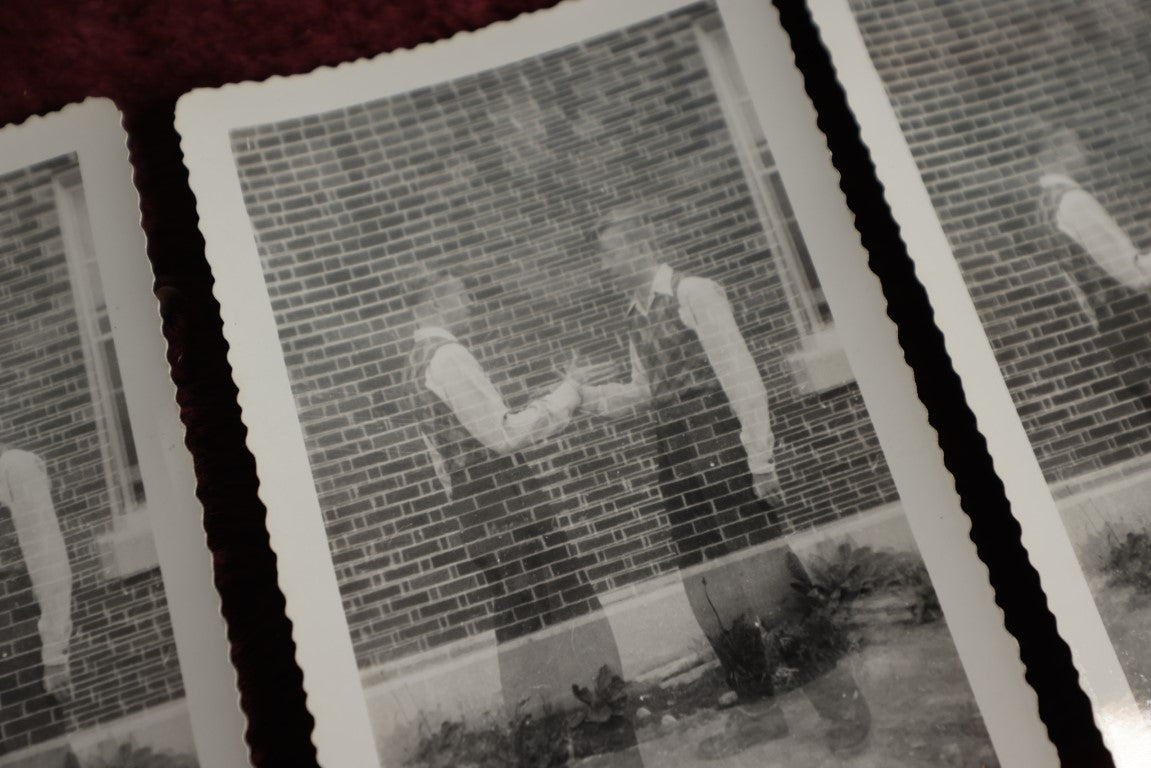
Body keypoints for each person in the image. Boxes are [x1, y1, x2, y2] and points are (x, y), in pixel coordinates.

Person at [575, 206, 870, 759]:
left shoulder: (695, 294)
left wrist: (761, 460)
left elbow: (741, 375)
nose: (606, 263)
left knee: (771, 584)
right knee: (710, 589)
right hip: (677, 459)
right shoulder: (634, 312)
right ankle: (760, 710)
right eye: (603, 254)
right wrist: (590, 399)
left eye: (612, 251)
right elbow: (647, 388)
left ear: (643, 245)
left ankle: (843, 704)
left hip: (721, 450)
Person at [403, 269, 640, 762]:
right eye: (458, 289)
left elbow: (442, 464)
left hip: (482, 523)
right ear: (434, 300)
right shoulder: (447, 356)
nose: (467, 296)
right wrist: (568, 393)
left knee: (523, 645)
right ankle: (614, 748)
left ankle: (544, 753)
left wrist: (471, 515)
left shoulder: (414, 362)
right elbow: (504, 434)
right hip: (516, 519)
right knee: (577, 625)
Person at [1036, 126, 1151, 408]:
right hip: (1134, 320)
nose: (1084, 153)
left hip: (1112, 325)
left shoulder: (1045, 205)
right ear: (1057, 152)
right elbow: (1127, 270)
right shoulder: (1073, 200)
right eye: (1077, 146)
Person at [0, 445, 76, 765]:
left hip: (19, 648)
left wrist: (54, 653)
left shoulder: (14, 470)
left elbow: (48, 557)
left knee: (42, 756)